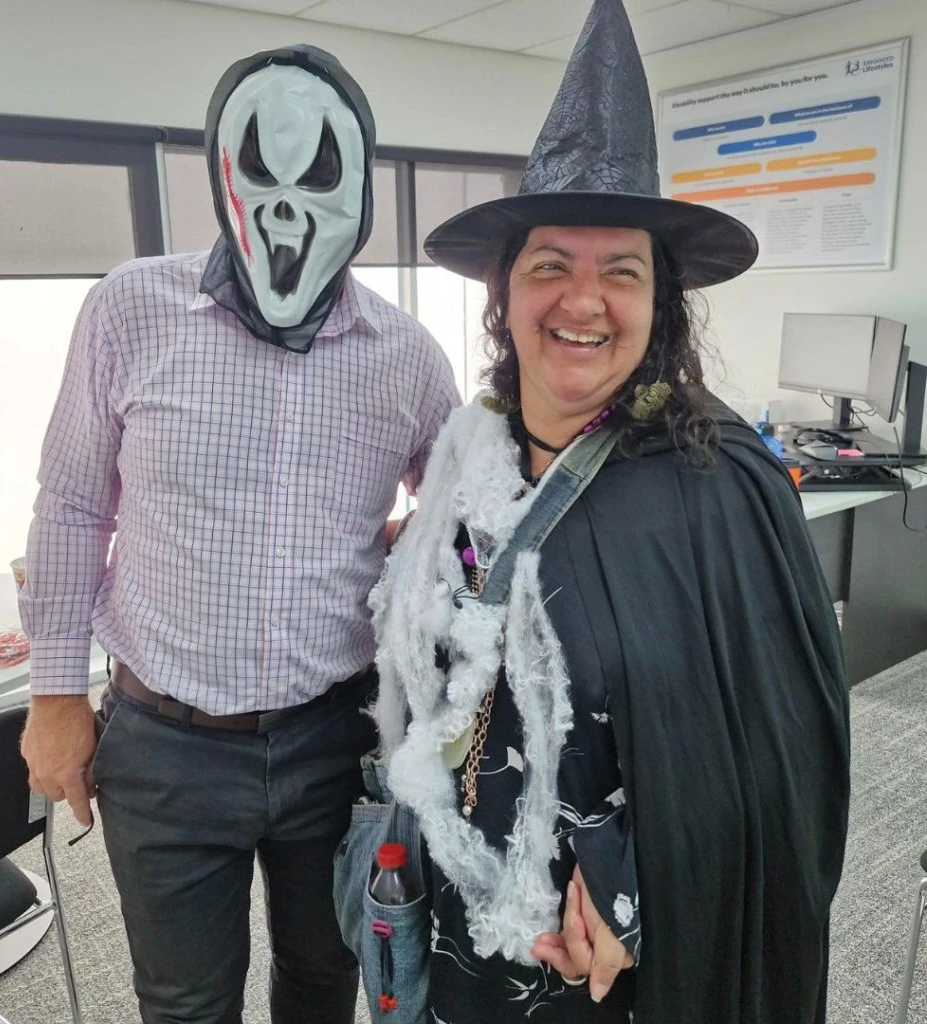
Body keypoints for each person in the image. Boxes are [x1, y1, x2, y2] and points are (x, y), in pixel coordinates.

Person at [368, 2, 850, 1021]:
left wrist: (638, 876)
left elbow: (783, 776)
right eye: (551, 265)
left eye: (618, 271)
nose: (582, 300)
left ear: (658, 303)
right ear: (505, 292)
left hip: (609, 976)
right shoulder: (469, 452)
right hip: (456, 936)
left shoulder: (721, 488)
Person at [18, 44, 459, 1024]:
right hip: (167, 747)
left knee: (322, 980)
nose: (290, 210)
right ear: (222, 174)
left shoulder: (407, 357)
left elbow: (468, 514)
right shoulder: (130, 308)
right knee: (184, 1002)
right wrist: (53, 697)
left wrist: (410, 550)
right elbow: (71, 504)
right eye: (263, 172)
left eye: (320, 179)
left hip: (334, 739)